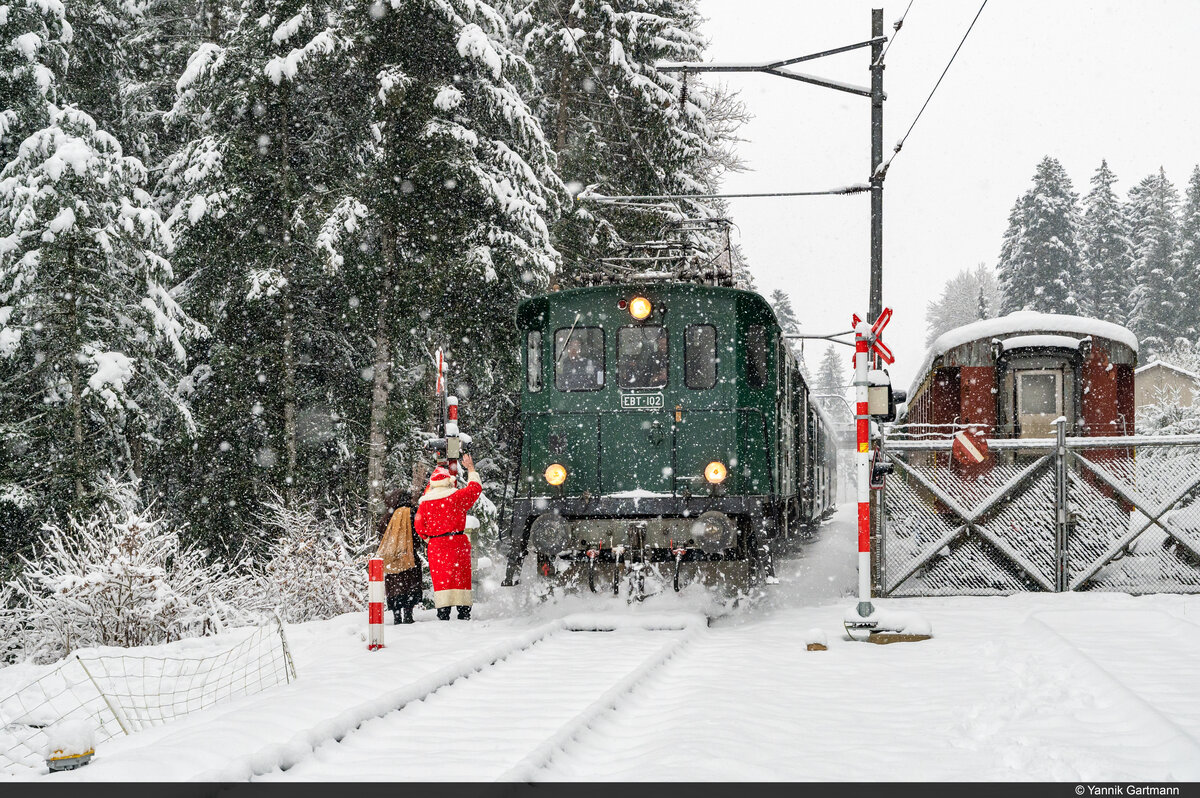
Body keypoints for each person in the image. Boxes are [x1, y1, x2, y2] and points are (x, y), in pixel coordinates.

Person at [414, 452, 482, 620]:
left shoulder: (425, 503)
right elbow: (475, 489)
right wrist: (471, 468)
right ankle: (464, 611)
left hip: (437, 546)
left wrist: (431, 539)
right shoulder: (456, 497)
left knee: (441, 579)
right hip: (457, 542)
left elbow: (419, 526)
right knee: (461, 577)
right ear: (448, 482)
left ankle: (443, 612)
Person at [375, 486, 423, 624]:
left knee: (395, 587)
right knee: (410, 585)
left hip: (392, 559)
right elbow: (418, 533)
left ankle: (397, 616)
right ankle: (408, 614)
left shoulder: (387, 517)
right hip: (409, 557)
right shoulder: (413, 513)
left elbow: (381, 536)